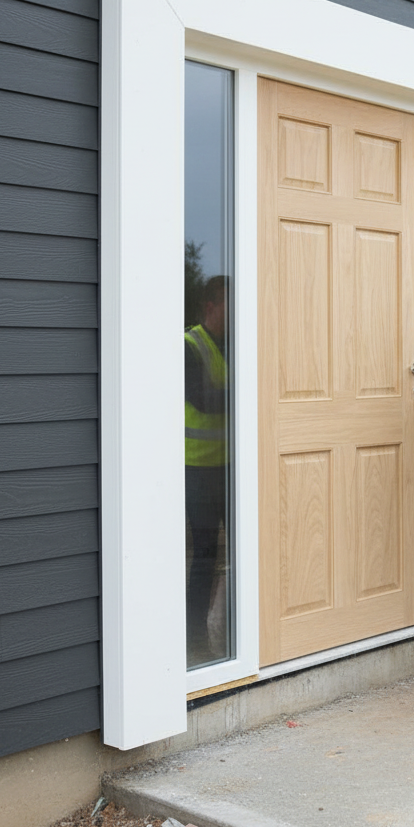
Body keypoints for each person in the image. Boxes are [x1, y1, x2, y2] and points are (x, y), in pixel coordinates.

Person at [184, 275, 230, 661]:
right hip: (196, 467)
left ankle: (235, 628)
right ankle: (194, 637)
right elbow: (202, 400)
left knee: (244, 548)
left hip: (230, 467)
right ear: (211, 307)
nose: (235, 315)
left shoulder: (233, 344)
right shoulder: (189, 346)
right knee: (204, 554)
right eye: (229, 306)